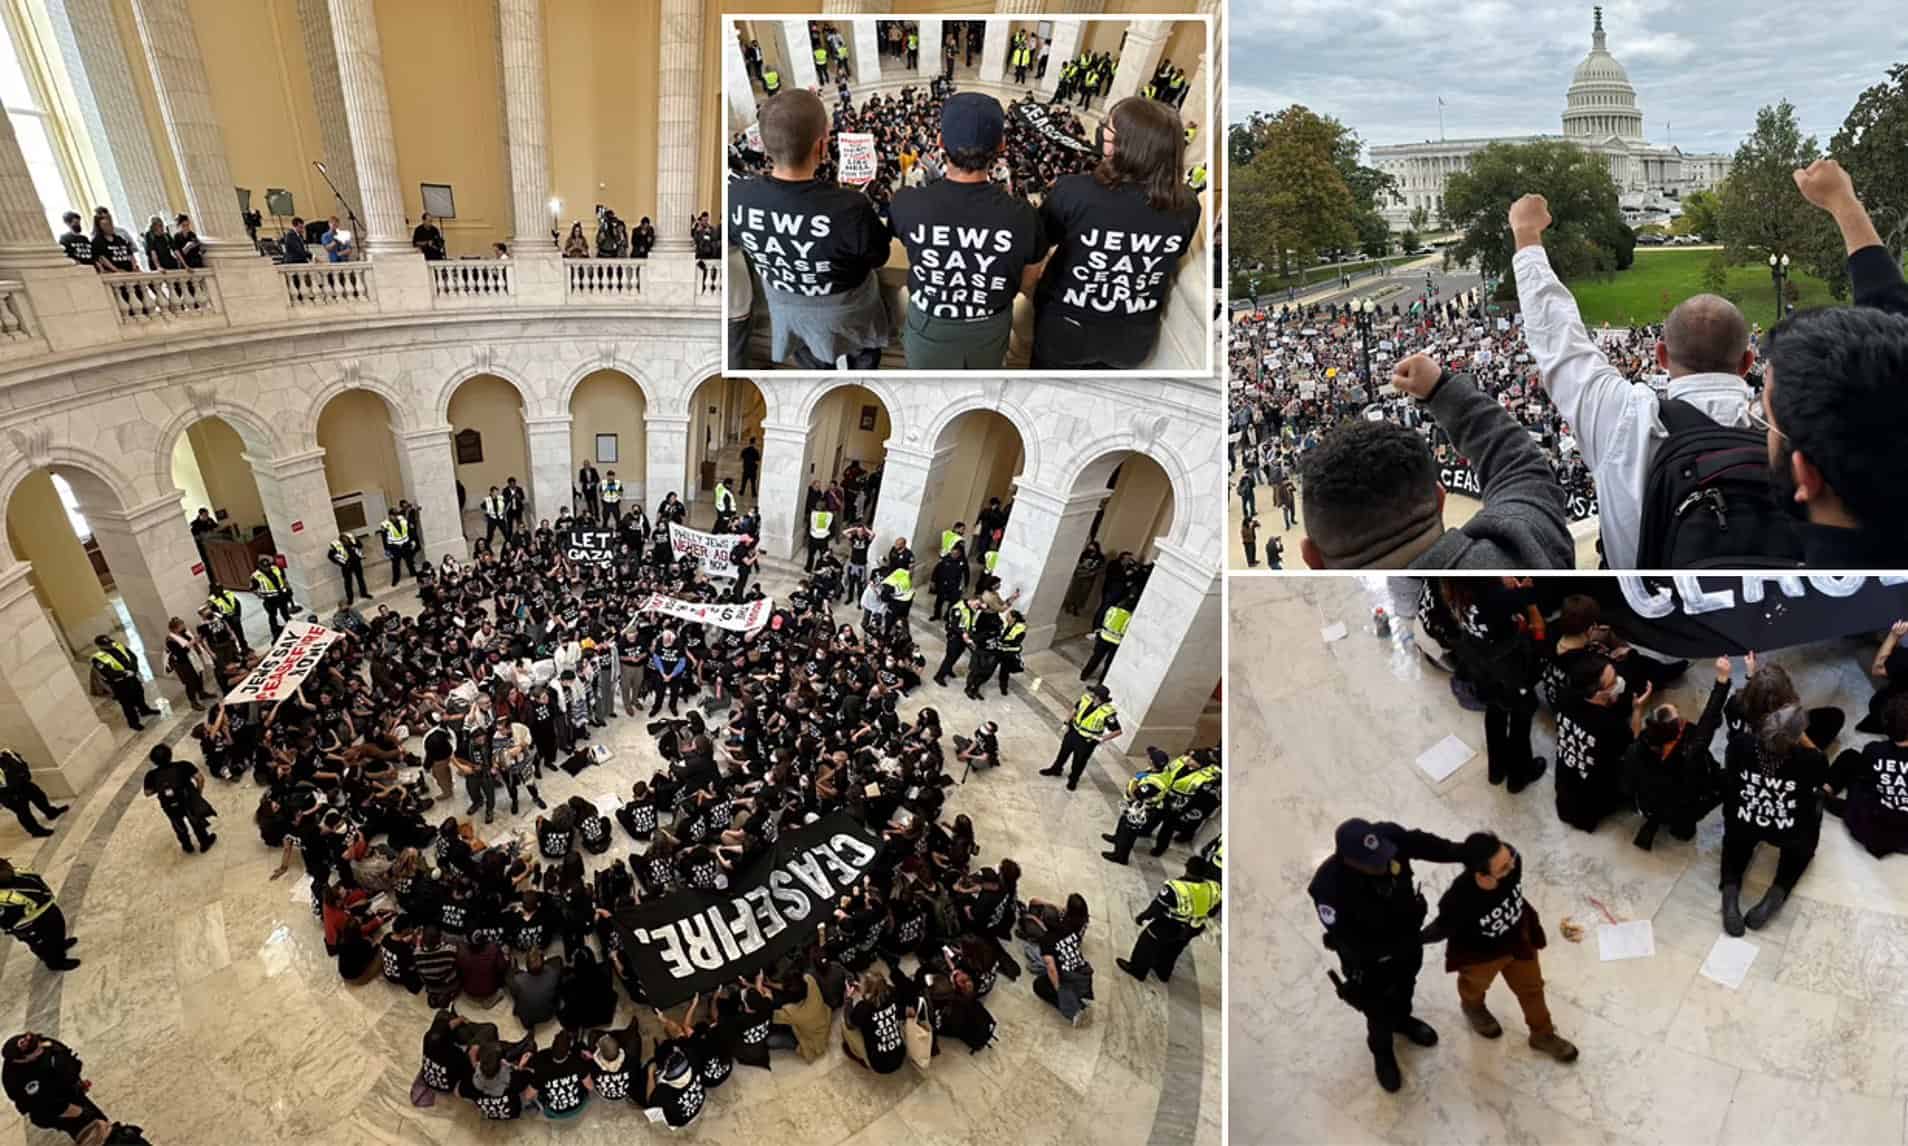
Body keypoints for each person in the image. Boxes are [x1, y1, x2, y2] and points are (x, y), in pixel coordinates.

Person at [1299, 353, 1573, 569]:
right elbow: (1520, 470)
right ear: (1440, 499)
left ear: (1311, 557)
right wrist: (1440, 389)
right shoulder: (1526, 550)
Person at [728, 89, 892, 370]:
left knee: (809, 359)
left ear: (766, 147)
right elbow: (879, 256)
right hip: (849, 313)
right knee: (864, 358)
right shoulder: (849, 208)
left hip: (789, 313)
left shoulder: (735, 198)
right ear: (821, 147)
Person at [1030, 97, 1199, 369]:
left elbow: (1039, 243)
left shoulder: (1074, 191)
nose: (1101, 132)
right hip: (1131, 341)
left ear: (1123, 144)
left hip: (1065, 329)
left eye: (1107, 127)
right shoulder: (1187, 205)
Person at [1307, 817, 1465, 1092]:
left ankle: (1402, 1020)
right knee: (1378, 1011)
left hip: (1407, 941)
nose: (1382, 865)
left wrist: (1461, 852)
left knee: (1406, 986)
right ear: (1348, 860)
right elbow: (1350, 939)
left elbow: (1421, 843)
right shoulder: (1328, 887)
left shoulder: (1387, 838)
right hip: (1370, 962)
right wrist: (1394, 948)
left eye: (1382, 857)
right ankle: (1382, 1053)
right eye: (1372, 863)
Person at [889, 93, 1044, 369]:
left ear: (939, 142)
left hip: (927, 330)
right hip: (989, 329)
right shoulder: (1024, 218)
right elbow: (1028, 281)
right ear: (1001, 146)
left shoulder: (906, 204)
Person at [1421, 833, 1579, 1064]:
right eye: (1503, 868)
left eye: (1510, 858)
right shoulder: (1458, 900)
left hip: (1519, 943)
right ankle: (1473, 1007)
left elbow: (1512, 863)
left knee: (1533, 989)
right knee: (1474, 986)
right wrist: (1409, 941)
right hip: (1481, 956)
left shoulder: (1513, 861)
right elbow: (1441, 928)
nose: (1513, 866)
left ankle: (1543, 1035)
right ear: (1481, 875)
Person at [1720, 660, 1829, 935]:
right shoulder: (1808, 759)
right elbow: (1820, 771)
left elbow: (1732, 774)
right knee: (1803, 843)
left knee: (1735, 842)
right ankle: (1777, 892)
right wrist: (1800, 737)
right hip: (1787, 828)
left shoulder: (1739, 745)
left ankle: (1730, 892)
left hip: (1744, 818)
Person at [1625, 656, 1731, 850]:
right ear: (1678, 730)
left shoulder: (1641, 745)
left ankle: (1652, 823)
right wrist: (1722, 679)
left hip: (1649, 802)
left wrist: (1638, 710)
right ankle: (1680, 831)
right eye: (1679, 716)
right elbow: (1709, 717)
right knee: (1728, 784)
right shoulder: (1691, 751)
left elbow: (1635, 734)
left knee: (1659, 803)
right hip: (1681, 805)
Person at [1827, 691, 1908, 858]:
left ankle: (1824, 791)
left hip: (1876, 821)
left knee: (1849, 757)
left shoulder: (1874, 750)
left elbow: (1865, 778)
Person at [1118, 854, 1220, 984]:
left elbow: (1157, 908)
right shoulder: (1214, 887)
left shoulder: (1175, 887)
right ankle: (1163, 972)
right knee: (1173, 949)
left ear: (1186, 868)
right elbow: (1214, 908)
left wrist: (1143, 916)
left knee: (1147, 944)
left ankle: (1137, 969)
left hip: (1168, 925)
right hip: (1193, 927)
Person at [2, 1033, 118, 1140]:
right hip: (53, 1110)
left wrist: (78, 1083)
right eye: (36, 1051)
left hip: (69, 1092)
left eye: (39, 1044)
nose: (41, 1048)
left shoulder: (44, 1042)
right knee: (88, 1131)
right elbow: (44, 1107)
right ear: (20, 1059)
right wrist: (80, 1114)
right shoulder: (15, 1080)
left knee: (101, 1121)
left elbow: (67, 1060)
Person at [0, 857, 79, 971]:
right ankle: (56, 963)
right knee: (45, 944)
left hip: (46, 908)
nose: (9, 867)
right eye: (5, 869)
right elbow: (6, 920)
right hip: (32, 923)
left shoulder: (16, 874)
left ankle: (59, 945)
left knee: (57, 932)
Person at [1040, 684, 1119, 791]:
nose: (1090, 694)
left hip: (1087, 741)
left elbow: (1117, 731)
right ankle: (1056, 769)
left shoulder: (1108, 712)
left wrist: (1102, 739)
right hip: (1073, 732)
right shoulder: (1085, 699)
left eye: (1093, 693)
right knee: (1063, 753)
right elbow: (1075, 710)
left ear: (1098, 697)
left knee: (1079, 761)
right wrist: (1066, 723)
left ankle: (1073, 780)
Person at [142, 743, 216, 854]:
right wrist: (198, 793)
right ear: (170, 755)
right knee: (195, 821)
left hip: (169, 806)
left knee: (178, 825)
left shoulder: (151, 775)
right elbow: (199, 779)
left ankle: (187, 846)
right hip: (187, 800)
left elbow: (147, 793)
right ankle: (204, 842)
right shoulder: (183, 766)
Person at [90, 635, 157, 731]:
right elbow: (108, 673)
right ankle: (133, 723)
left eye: (110, 643)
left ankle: (144, 710)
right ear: (100, 646)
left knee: (139, 694)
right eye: (106, 644)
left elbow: (132, 657)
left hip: (132, 677)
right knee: (127, 704)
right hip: (120, 684)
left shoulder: (118, 646)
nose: (110, 645)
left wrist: (133, 669)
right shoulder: (98, 658)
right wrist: (124, 673)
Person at [0, 748, 66, 838]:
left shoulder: (6, 753)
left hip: (23, 783)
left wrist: (24, 776)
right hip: (8, 793)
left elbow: (21, 764)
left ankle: (50, 812)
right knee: (23, 812)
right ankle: (36, 831)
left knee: (39, 796)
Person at [1080, 593, 1135, 681]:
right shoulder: (1129, 617)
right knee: (1109, 663)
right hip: (1116, 642)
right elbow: (1124, 630)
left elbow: (1105, 621)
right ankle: (1102, 681)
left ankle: (1084, 675)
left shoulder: (1112, 610)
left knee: (1095, 658)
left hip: (1104, 636)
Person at [250, 555, 297, 638]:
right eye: (265, 567)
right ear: (260, 566)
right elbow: (253, 589)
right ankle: (275, 631)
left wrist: (288, 588)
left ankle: (292, 625)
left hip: (281, 595)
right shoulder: (256, 576)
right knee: (272, 616)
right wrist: (261, 596)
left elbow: (283, 579)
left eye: (268, 566)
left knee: (285, 612)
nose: (267, 568)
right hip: (270, 599)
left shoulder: (275, 569)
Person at [379, 507, 420, 586]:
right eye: (393, 515)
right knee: (396, 564)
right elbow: (384, 539)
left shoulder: (403, 520)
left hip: (405, 544)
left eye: (396, 515)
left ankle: (413, 572)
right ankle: (396, 579)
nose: (395, 517)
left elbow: (409, 531)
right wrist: (387, 549)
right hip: (394, 547)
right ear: (390, 516)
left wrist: (412, 540)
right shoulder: (385, 525)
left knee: (409, 560)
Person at [329, 531, 369, 606]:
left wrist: (356, 539)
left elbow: (360, 546)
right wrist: (339, 563)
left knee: (360, 579)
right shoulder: (337, 546)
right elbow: (330, 556)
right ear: (341, 541)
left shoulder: (352, 542)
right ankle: (350, 599)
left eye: (347, 540)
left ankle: (364, 593)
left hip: (356, 563)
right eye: (345, 540)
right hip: (346, 566)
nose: (346, 542)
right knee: (348, 583)